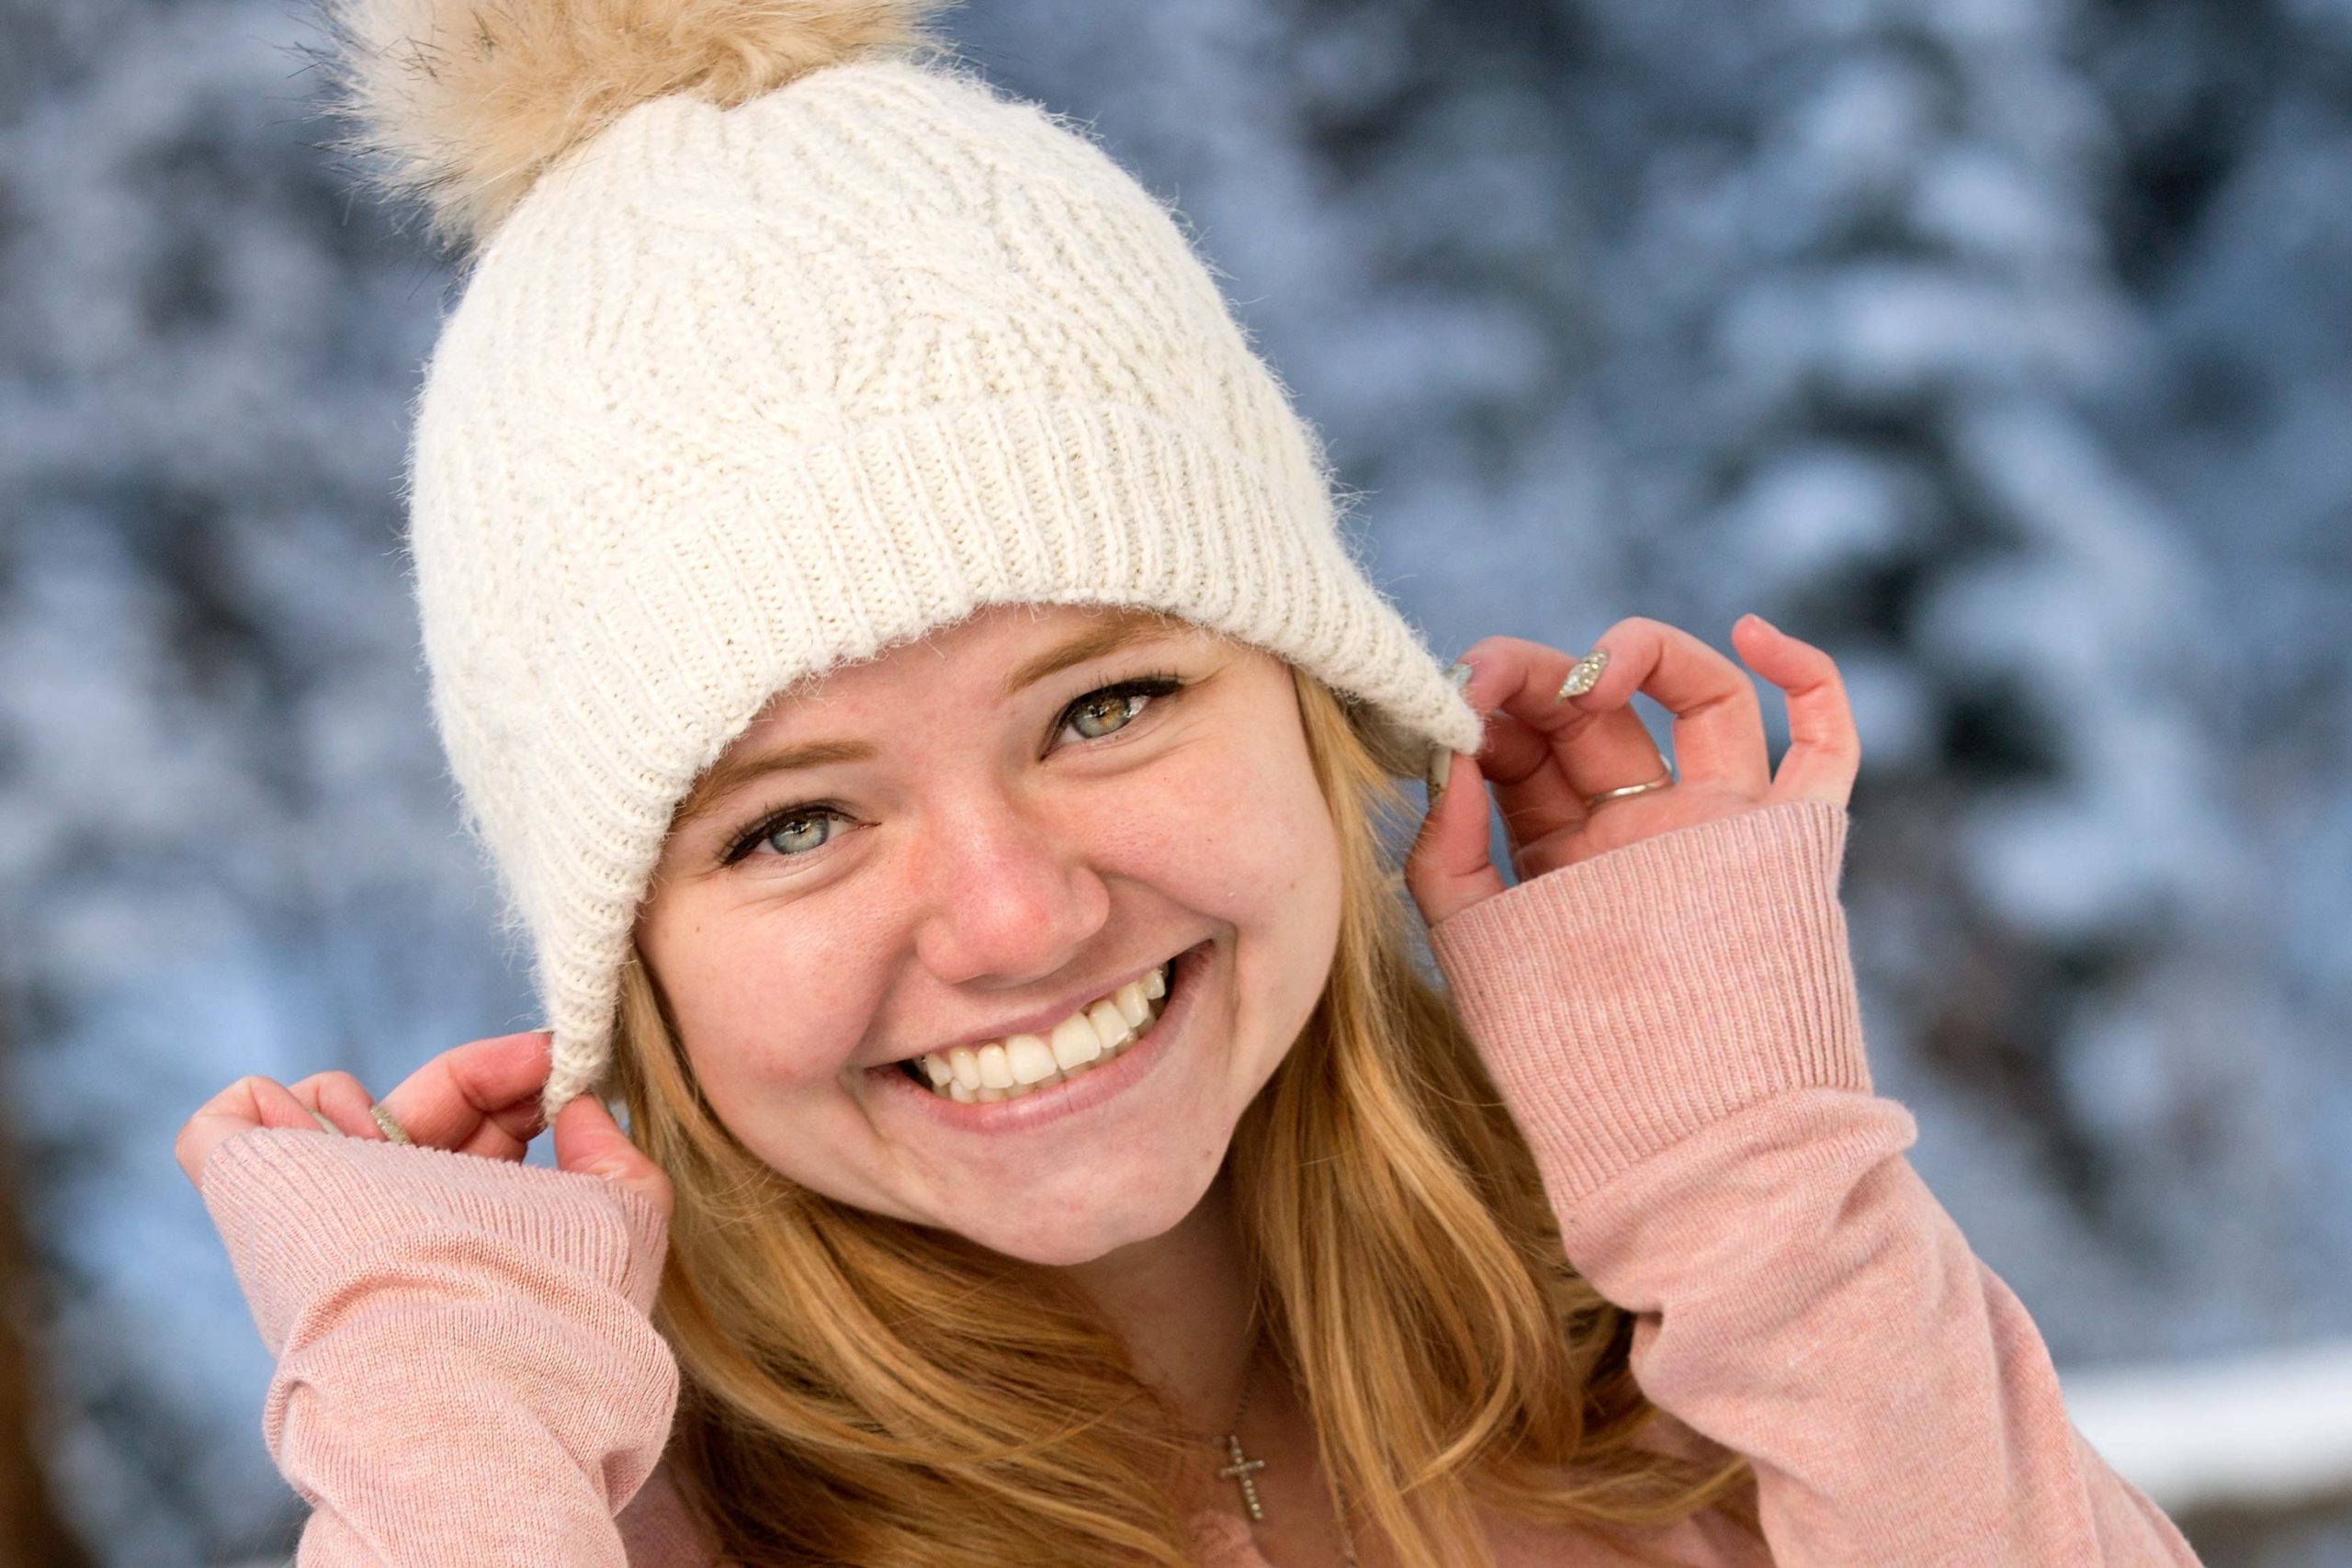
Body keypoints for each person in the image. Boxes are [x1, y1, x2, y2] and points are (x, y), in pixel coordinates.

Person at [175, 2, 2205, 1563]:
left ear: (1319, 700)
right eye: (792, 820)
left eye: (1103, 705)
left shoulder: (1701, 1351)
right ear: (627, 958)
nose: (1011, 914)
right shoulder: (596, 1515)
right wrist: (451, 1463)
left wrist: (1752, 1180)